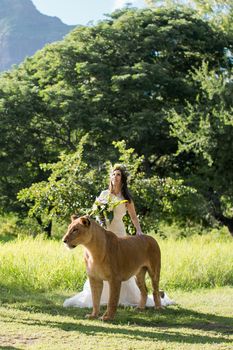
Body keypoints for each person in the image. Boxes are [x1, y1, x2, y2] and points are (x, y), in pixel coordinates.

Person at [63, 164, 174, 308]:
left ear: (122, 179)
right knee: (99, 263)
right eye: (113, 174)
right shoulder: (103, 195)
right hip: (103, 232)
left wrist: (139, 231)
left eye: (118, 175)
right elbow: (92, 215)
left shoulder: (126, 198)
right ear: (110, 178)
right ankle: (100, 301)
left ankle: (128, 299)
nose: (115, 177)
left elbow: (133, 217)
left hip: (118, 232)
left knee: (120, 265)